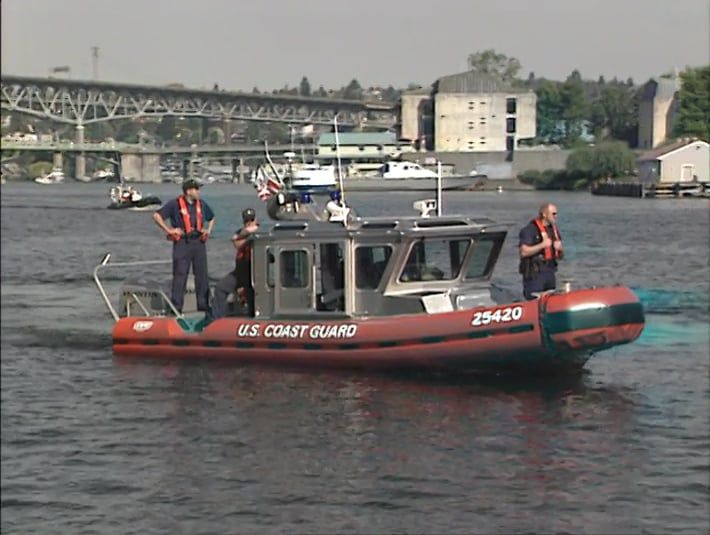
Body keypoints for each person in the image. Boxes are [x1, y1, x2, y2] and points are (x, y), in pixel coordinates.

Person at [152, 179, 215, 314]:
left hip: (198, 242)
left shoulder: (202, 204)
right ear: (188, 191)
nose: (199, 192)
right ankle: (176, 307)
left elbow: (212, 217)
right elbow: (157, 216)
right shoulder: (175, 204)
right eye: (196, 189)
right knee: (180, 275)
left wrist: (207, 230)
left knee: (202, 275)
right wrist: (169, 230)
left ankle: (203, 306)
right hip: (182, 243)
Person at [209, 208, 259, 320]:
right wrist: (244, 236)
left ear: (255, 219)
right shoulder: (241, 232)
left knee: (252, 294)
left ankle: (253, 318)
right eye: (247, 221)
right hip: (240, 271)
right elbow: (236, 242)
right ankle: (216, 320)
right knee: (220, 288)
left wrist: (245, 235)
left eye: (251, 220)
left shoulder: (260, 232)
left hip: (255, 271)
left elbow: (251, 231)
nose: (249, 223)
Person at [518, 203, 563, 300]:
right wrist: (542, 245)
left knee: (551, 299)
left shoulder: (553, 231)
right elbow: (523, 252)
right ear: (544, 214)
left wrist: (559, 249)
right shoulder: (530, 230)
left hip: (550, 271)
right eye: (553, 214)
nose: (556, 216)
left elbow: (560, 256)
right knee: (534, 299)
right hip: (535, 273)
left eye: (556, 214)